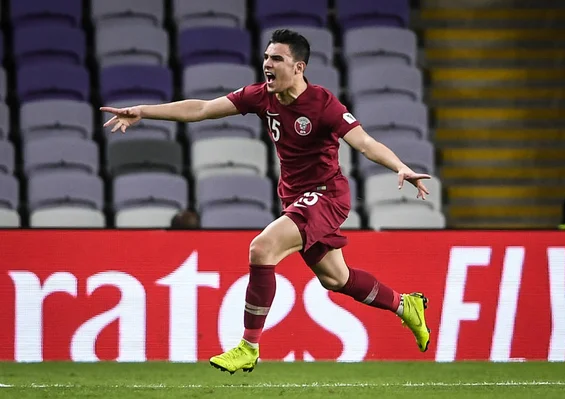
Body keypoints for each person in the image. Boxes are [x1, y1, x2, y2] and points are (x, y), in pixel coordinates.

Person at [101, 29, 431, 374]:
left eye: (277, 59)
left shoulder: (323, 104)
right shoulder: (260, 97)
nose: (267, 65)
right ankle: (404, 305)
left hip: (327, 195)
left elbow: (363, 142)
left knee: (261, 249)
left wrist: (400, 166)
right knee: (336, 279)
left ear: (299, 67)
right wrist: (143, 111)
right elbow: (202, 108)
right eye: (266, 58)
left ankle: (248, 347)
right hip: (295, 197)